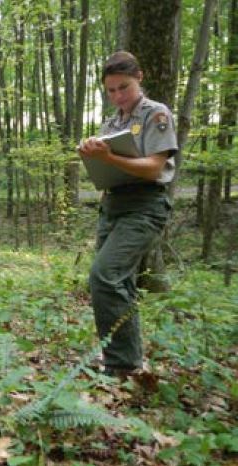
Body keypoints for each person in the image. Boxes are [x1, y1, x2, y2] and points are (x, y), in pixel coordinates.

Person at [78, 51, 177, 377]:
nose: (118, 96)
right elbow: (108, 167)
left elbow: (153, 168)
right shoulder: (112, 123)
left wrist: (109, 159)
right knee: (115, 283)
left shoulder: (156, 114)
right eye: (111, 91)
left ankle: (121, 367)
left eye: (125, 87)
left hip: (145, 205)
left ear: (140, 78)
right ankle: (124, 359)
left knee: (104, 275)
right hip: (114, 205)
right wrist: (94, 157)